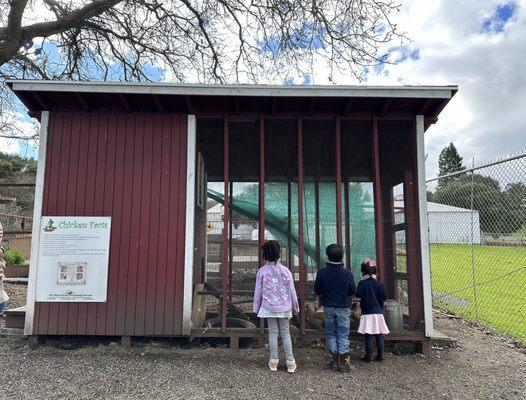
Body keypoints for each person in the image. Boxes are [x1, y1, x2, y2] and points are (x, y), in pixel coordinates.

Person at [253, 240, 299, 373]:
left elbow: (258, 291)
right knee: (285, 333)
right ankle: (290, 362)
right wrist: (295, 306)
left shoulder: (262, 271)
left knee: (273, 333)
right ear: (278, 253)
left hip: (269, 307)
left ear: (264, 254)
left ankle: (273, 361)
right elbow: (292, 291)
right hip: (284, 307)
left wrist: (256, 307)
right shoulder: (286, 271)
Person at [314, 244, 356, 372]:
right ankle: (343, 364)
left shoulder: (322, 273)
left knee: (331, 334)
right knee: (343, 335)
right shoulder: (347, 274)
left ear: (327, 256)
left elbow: (317, 289)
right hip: (343, 308)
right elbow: (352, 290)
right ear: (341, 257)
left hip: (328, 307)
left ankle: (334, 359)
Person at [355, 258, 389, 362]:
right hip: (378, 313)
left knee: (368, 335)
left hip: (367, 313)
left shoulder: (362, 284)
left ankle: (368, 356)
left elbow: (358, 294)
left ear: (362, 272)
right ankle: (380, 356)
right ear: (376, 272)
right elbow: (385, 296)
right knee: (379, 335)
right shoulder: (380, 284)